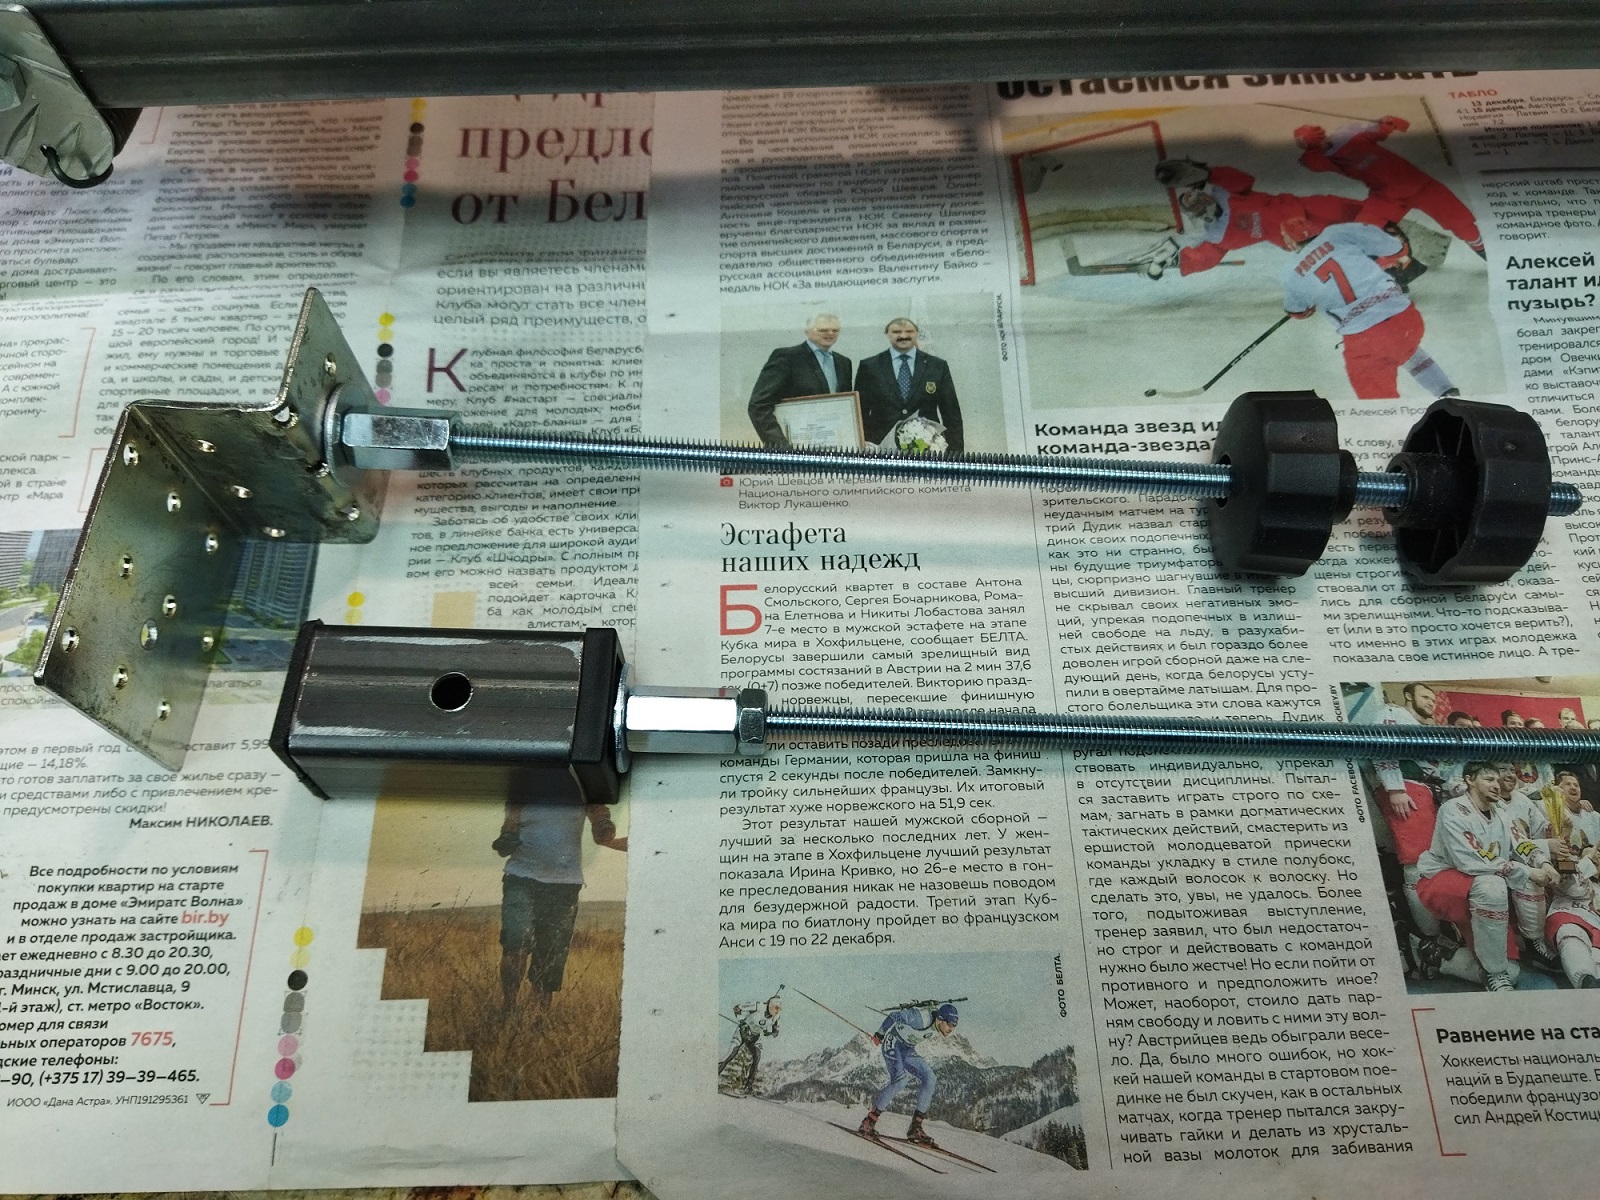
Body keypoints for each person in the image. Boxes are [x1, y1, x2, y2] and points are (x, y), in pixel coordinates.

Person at [1416, 761, 1559, 991]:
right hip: (1443, 879)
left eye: (1497, 780)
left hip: (1482, 883)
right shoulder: (1453, 809)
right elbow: (1469, 860)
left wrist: (1543, 863)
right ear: (1470, 780)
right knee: (1494, 884)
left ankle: (1438, 954)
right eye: (1489, 779)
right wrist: (1527, 871)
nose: (1496, 785)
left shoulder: (1500, 811)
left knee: (1513, 972)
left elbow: (1520, 842)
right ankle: (1493, 973)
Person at [1280, 218, 1457, 401]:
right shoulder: (1338, 232)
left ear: (1290, 241)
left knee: (1376, 400)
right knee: (1404, 349)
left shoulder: (1291, 272)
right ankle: (1447, 392)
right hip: (1405, 319)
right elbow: (1396, 247)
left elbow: (1299, 311)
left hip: (1365, 339)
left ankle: (1392, 418)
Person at [493, 801, 627, 1013]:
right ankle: (508, 1009)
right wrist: (507, 835)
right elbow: (508, 833)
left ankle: (539, 1019)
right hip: (521, 878)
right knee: (516, 940)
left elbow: (601, 829)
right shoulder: (524, 788)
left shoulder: (584, 788)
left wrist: (604, 826)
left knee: (551, 955)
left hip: (564, 885)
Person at [1294, 117, 1486, 257]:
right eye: (1309, 141)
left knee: (1464, 226)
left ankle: (1490, 256)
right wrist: (1309, 146)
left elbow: (1378, 129)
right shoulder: (1324, 158)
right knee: (1363, 232)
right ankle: (1393, 272)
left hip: (1420, 185)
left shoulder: (1347, 133)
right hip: (1386, 196)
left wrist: (1388, 123)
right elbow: (1310, 163)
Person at [1150, 159, 1360, 277]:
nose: (1201, 204)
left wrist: (1207, 173)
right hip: (1299, 238)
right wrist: (1181, 260)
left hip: (1303, 210)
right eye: (1195, 207)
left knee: (1360, 214)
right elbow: (1208, 255)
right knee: (1352, 249)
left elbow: (1244, 180)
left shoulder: (1225, 194)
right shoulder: (1218, 235)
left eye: (1198, 198)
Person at [856, 1001, 959, 1145]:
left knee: (930, 1078)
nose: (952, 1029)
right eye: (950, 1024)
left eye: (955, 1025)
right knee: (900, 1081)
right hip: (893, 1044)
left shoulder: (938, 1024)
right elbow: (894, 1015)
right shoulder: (920, 1018)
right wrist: (880, 1034)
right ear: (940, 1019)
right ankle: (869, 1122)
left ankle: (915, 1128)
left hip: (907, 1049)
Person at [854, 319, 964, 453]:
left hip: (927, 448)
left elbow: (951, 414)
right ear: (887, 334)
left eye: (909, 331)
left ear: (917, 333)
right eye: (896, 332)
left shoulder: (937, 366)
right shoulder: (869, 366)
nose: (903, 336)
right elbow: (860, 413)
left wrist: (956, 455)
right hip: (880, 447)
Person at [747, 313, 852, 447]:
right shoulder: (787, 357)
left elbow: (845, 407)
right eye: (823, 330)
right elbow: (758, 406)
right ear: (807, 332)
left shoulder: (844, 362)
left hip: (835, 446)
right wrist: (781, 447)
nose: (830, 334)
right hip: (793, 446)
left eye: (835, 330)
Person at [719, 992, 782, 1094]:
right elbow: (737, 1008)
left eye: (779, 1009)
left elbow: (776, 1032)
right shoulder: (758, 1006)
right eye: (776, 1008)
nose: (777, 1011)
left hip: (755, 1036)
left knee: (757, 1056)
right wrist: (742, 1022)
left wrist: (770, 1032)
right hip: (743, 1033)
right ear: (770, 1005)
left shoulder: (776, 1016)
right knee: (731, 1054)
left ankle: (748, 1087)